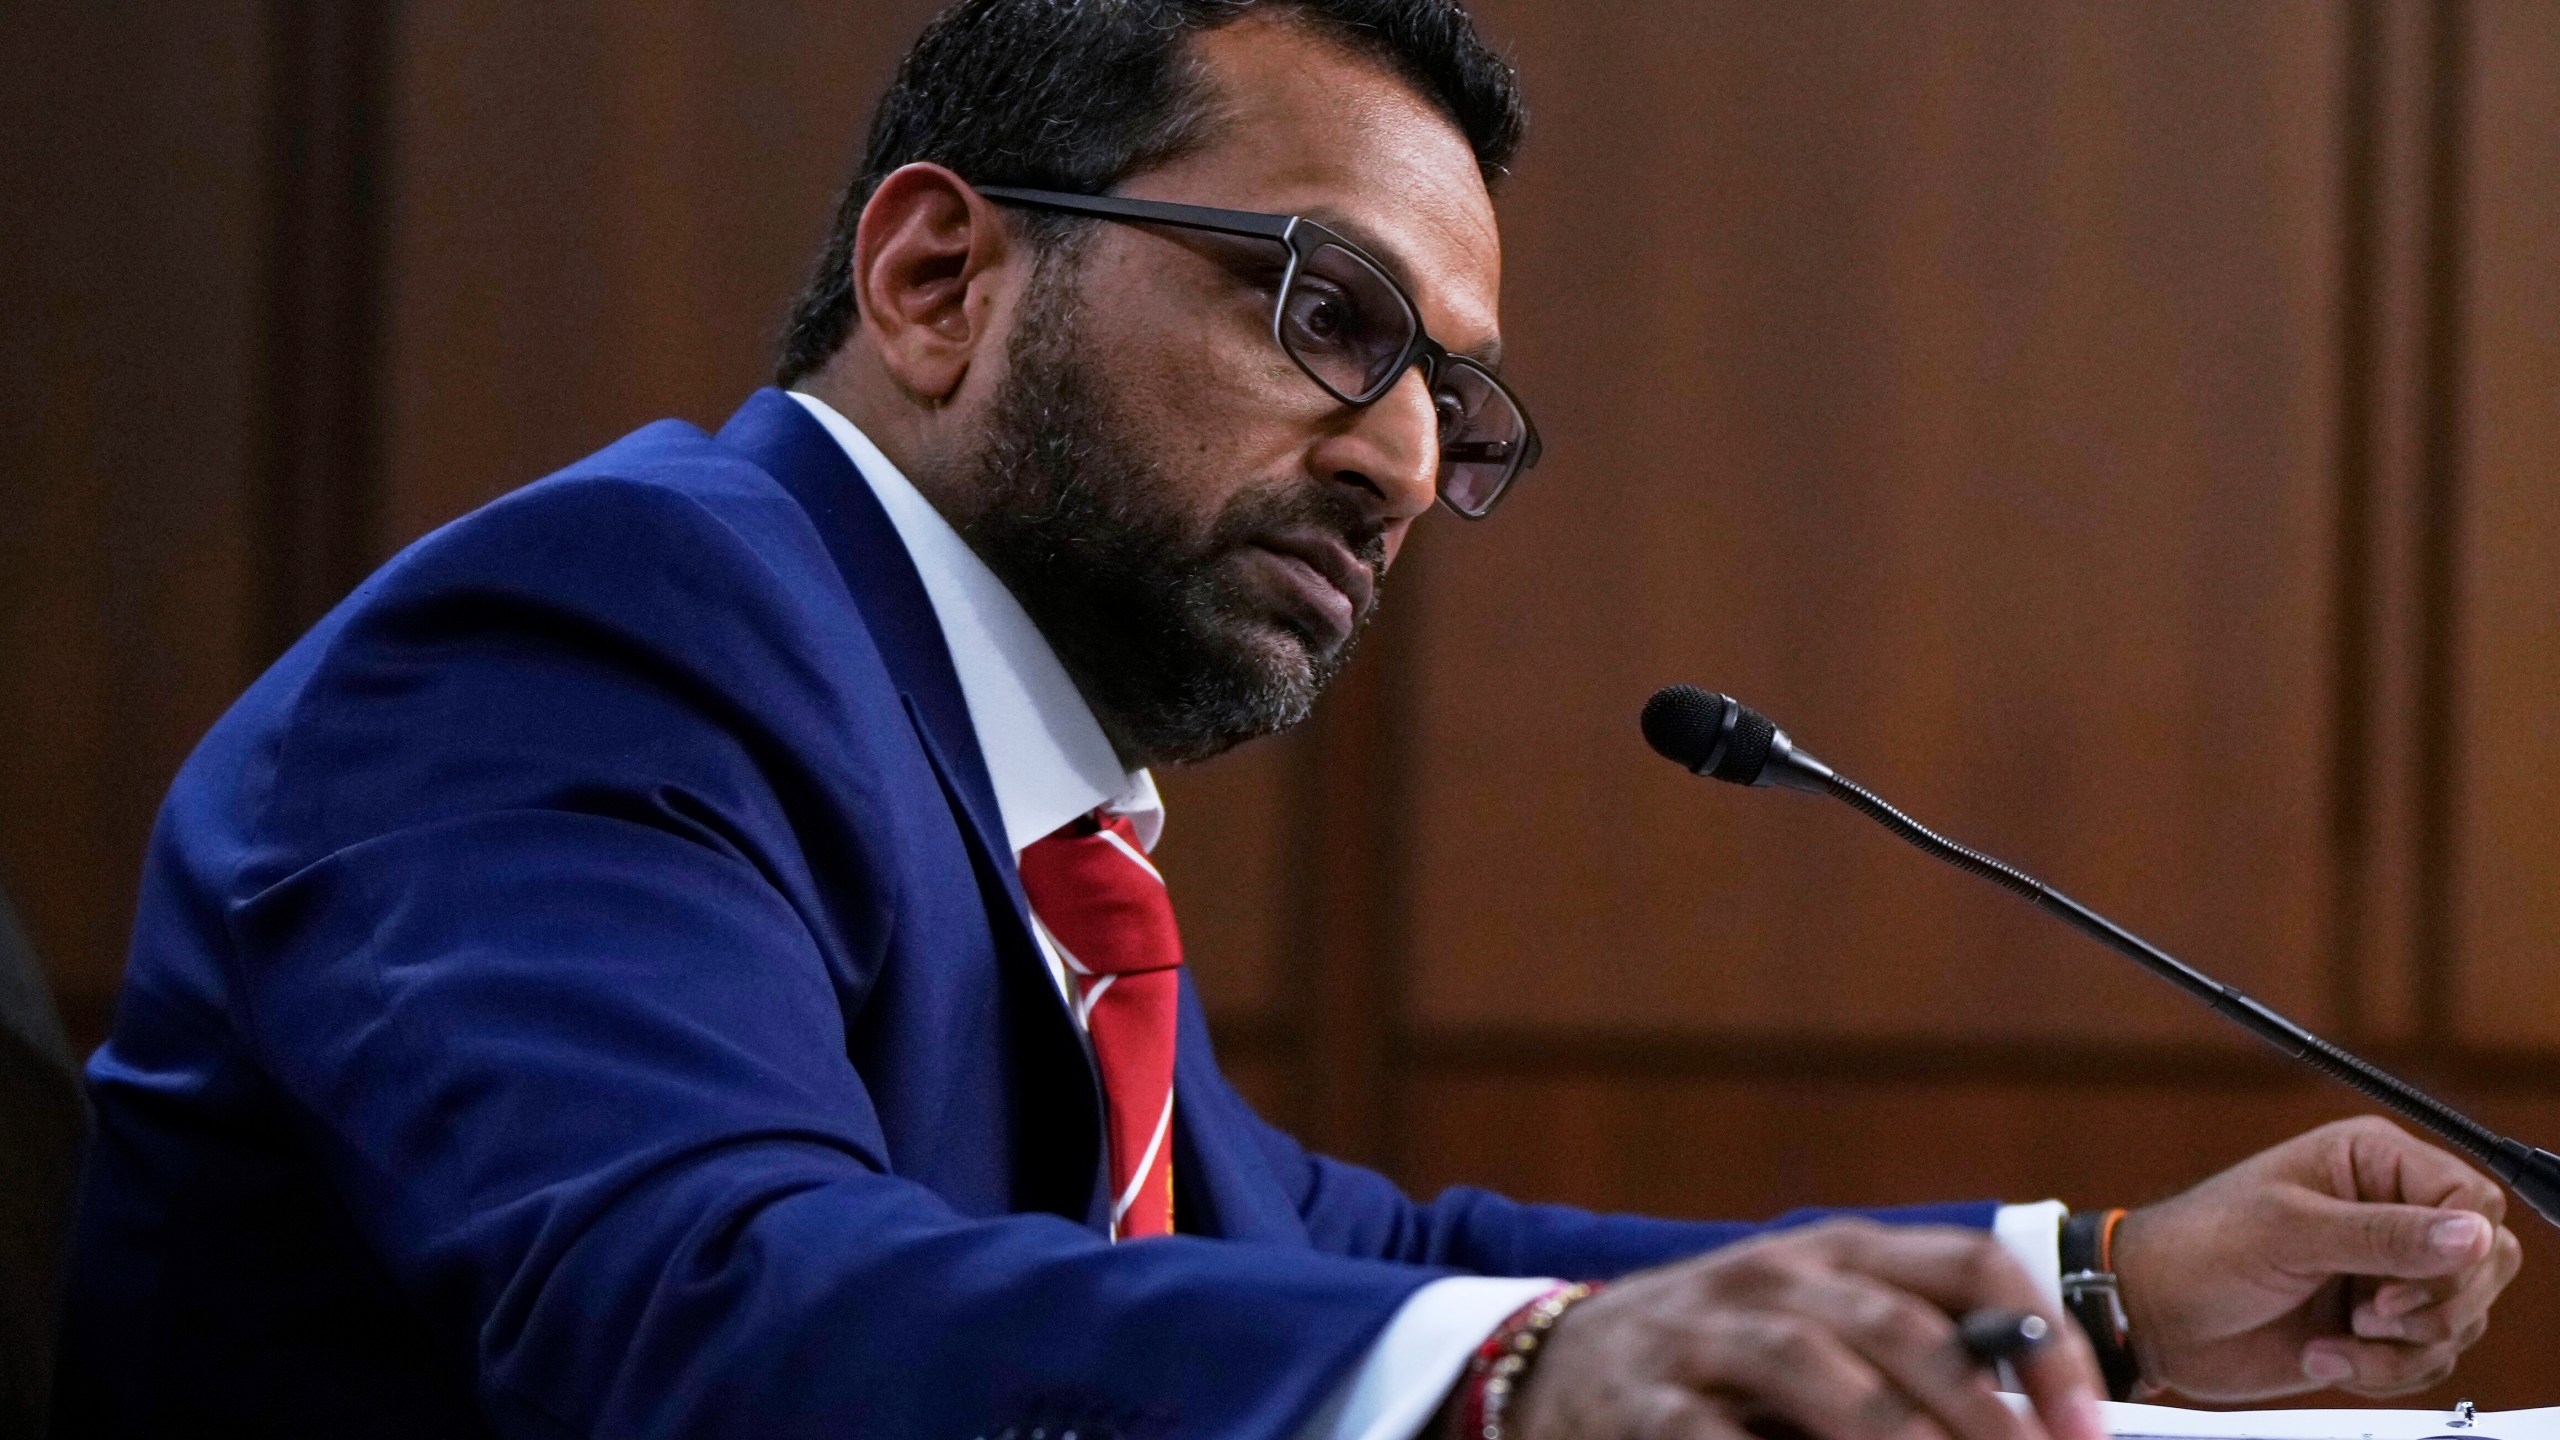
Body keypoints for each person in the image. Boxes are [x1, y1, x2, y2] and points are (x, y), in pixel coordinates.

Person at [55, 2, 2521, 1436]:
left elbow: (1336, 1235)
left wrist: (2085, 1287)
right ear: (937, 274)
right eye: (1328, 316)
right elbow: (693, 1294)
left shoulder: (976, 747)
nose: (1409, 463)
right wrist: (1526, 1380)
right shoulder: (597, 633)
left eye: (1459, 400)